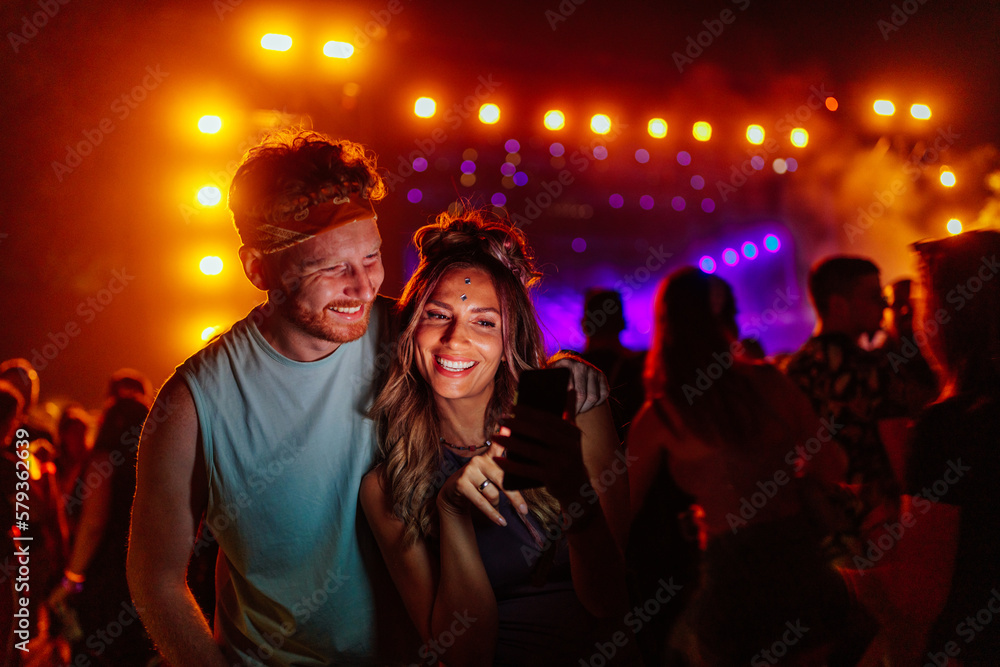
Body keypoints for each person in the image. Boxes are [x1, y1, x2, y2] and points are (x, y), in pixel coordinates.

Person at [127, 130, 605, 666]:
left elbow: (494, 355)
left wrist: (568, 372)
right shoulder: (193, 403)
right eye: (332, 268)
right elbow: (156, 579)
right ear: (258, 268)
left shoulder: (412, 333)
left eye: (372, 257)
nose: (362, 286)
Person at [361, 212, 632, 666]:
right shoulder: (388, 486)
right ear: (411, 332)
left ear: (512, 336)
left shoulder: (575, 412)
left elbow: (610, 601)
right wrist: (452, 512)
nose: (454, 338)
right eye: (438, 314)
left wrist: (573, 490)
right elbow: (465, 655)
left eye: (484, 322)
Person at [627, 267, 862, 664]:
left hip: (731, 578)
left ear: (667, 326)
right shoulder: (771, 382)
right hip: (799, 563)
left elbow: (618, 509)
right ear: (728, 318)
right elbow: (833, 464)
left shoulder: (662, 416)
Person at [854, 230, 1000, 664]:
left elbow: (919, 596)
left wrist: (837, 580)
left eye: (922, 304)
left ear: (949, 317)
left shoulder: (950, 425)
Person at [781, 256, 903, 525]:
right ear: (838, 305)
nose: (885, 304)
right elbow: (897, 447)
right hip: (880, 519)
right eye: (874, 296)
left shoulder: (793, 370)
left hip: (823, 520)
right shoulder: (872, 367)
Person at [48, 378, 157, 664]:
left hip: (104, 578)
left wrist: (70, 580)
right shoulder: (156, 463)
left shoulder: (103, 462)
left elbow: (93, 525)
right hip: (142, 575)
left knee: (98, 652)